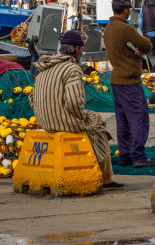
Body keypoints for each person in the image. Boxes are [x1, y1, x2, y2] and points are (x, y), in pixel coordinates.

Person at [30, 30, 123, 189]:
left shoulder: (44, 67)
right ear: (77, 49)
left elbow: (31, 98)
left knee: (91, 119)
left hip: (44, 121)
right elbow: (74, 103)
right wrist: (82, 117)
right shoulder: (72, 69)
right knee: (99, 125)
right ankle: (106, 178)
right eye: (81, 49)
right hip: (63, 123)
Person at [103, 0, 155, 167]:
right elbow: (147, 45)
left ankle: (125, 155)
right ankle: (138, 156)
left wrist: (133, 50)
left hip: (116, 81)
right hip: (130, 82)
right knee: (139, 118)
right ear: (126, 10)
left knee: (123, 121)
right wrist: (139, 50)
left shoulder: (108, 29)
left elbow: (123, 49)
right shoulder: (125, 28)